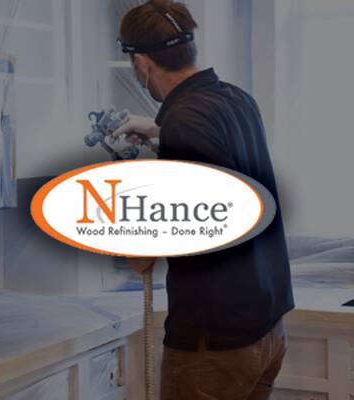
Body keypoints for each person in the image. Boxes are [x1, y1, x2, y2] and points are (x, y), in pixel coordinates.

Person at [113, 1, 295, 399]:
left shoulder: (183, 122)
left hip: (214, 348)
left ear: (141, 63)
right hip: (266, 331)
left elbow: (146, 254)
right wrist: (160, 131)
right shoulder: (237, 99)